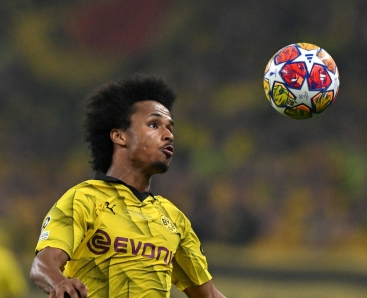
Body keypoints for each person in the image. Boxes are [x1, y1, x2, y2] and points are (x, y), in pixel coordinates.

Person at [30, 75, 225, 298]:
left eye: (170, 128)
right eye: (154, 125)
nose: (169, 135)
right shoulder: (84, 198)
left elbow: (208, 295)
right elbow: (43, 263)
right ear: (119, 136)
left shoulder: (174, 218)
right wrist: (59, 283)